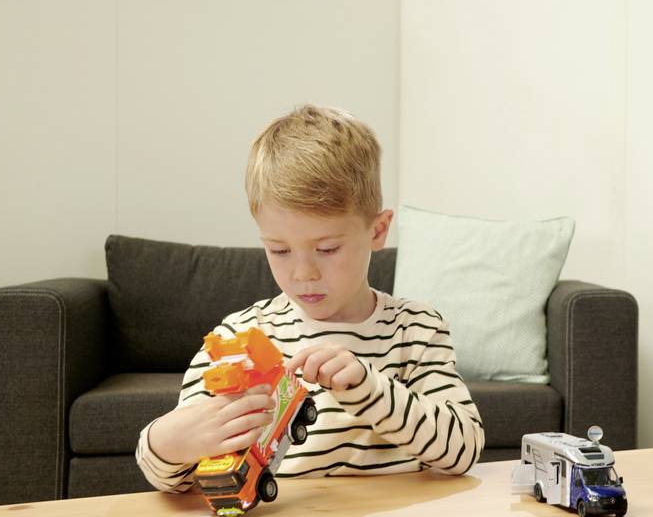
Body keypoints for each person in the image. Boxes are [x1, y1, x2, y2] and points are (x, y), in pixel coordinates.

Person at [136, 103, 485, 494]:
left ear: (378, 230)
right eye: (280, 251)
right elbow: (176, 477)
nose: (303, 274)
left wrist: (370, 389)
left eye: (328, 248)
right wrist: (165, 442)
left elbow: (463, 451)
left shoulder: (416, 331)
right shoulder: (241, 335)